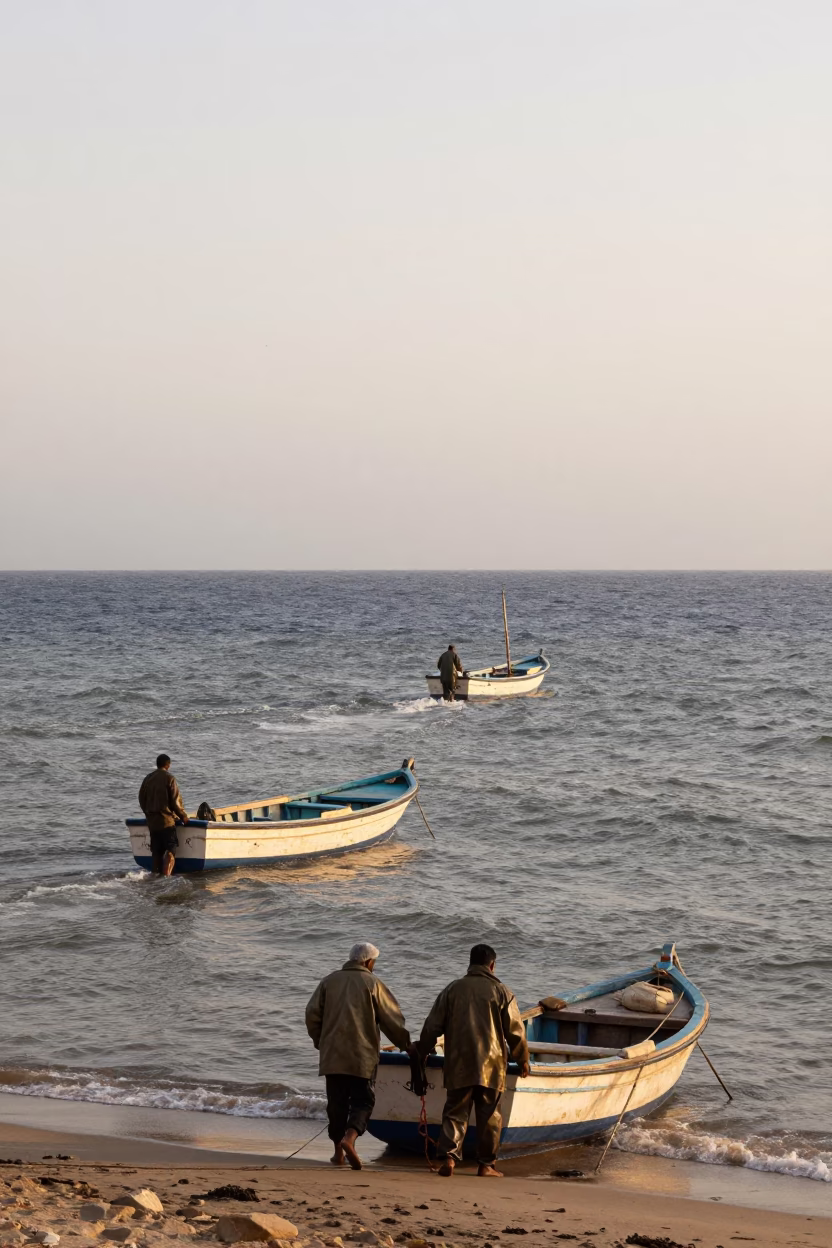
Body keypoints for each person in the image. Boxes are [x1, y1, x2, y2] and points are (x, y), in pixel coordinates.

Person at [415, 942, 530, 1178]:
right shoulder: (502, 992)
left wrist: (424, 1049)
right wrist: (523, 1060)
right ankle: (486, 1165)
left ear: (470, 963)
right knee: (489, 1117)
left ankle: (449, 1157)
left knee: (455, 1112)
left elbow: (432, 1026)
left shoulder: (452, 989)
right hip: (492, 1065)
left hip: (458, 1062)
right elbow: (515, 1032)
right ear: (492, 965)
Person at [305, 941, 410, 1171]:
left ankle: (337, 1154)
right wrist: (406, 1044)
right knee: (363, 1101)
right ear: (368, 962)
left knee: (336, 1104)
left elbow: (312, 1015)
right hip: (362, 1057)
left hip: (332, 1056)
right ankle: (350, 1139)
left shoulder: (328, 981)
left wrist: (321, 1043)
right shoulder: (373, 983)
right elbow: (392, 1019)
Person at [138, 753, 190, 876]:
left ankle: (155, 877)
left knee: (156, 852)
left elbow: (141, 798)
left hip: (152, 823)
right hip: (166, 822)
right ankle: (166, 878)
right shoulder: (169, 778)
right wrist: (183, 816)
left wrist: (148, 813)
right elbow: (174, 802)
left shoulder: (148, 778)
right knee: (171, 850)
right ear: (168, 765)